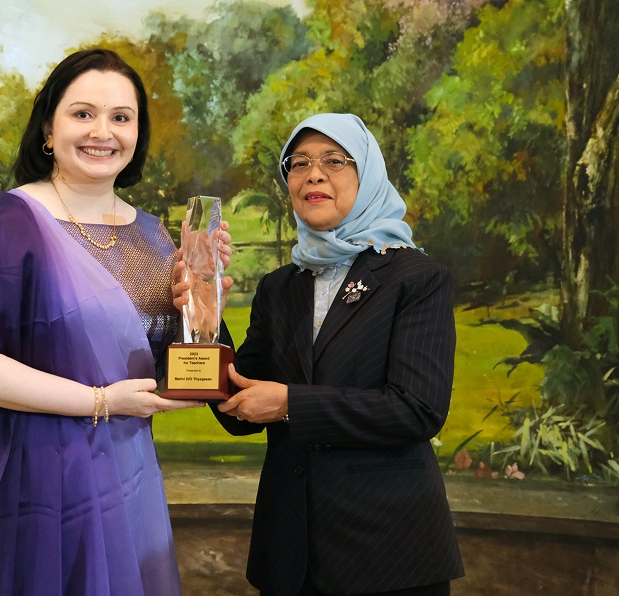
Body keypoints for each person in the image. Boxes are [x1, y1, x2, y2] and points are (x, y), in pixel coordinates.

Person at [0, 48, 231, 596]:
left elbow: (158, 370)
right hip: (16, 471)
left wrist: (198, 305)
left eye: (121, 117)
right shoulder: (0, 226)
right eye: (83, 113)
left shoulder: (157, 238)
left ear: (137, 135)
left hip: (121, 472)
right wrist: (101, 402)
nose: (102, 132)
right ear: (47, 130)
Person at [199, 113, 464, 595]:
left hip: (388, 554)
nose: (313, 174)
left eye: (333, 161)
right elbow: (240, 410)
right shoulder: (280, 287)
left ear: (367, 175)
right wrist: (204, 315)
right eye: (297, 163)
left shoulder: (416, 277)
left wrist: (289, 405)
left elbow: (417, 409)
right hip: (289, 555)